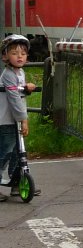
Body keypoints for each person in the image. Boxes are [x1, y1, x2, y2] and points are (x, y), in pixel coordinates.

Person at [0, 34, 37, 202]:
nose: (19, 56)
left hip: (14, 119)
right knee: (5, 152)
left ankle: (17, 182)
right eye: (14, 53)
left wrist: (27, 88)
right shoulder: (8, 74)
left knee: (18, 152)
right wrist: (24, 118)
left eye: (23, 53)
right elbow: (14, 98)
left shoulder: (19, 72)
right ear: (5, 56)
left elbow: (20, 91)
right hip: (6, 120)